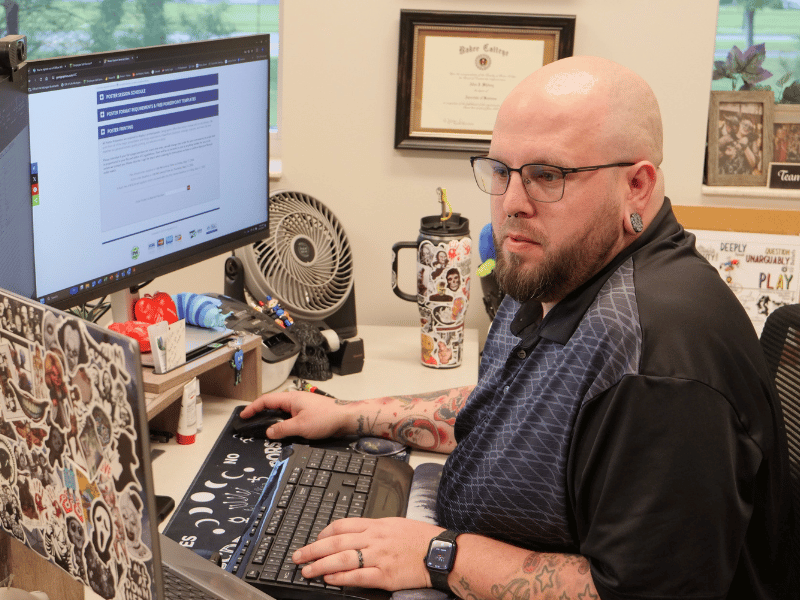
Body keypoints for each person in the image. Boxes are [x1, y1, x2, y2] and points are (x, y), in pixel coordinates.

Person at [240, 56, 793, 599]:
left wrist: (436, 554)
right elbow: (507, 405)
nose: (511, 204)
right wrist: (350, 415)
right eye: (501, 172)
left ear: (637, 186)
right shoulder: (557, 268)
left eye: (548, 176)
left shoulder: (662, 362)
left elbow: (633, 591)